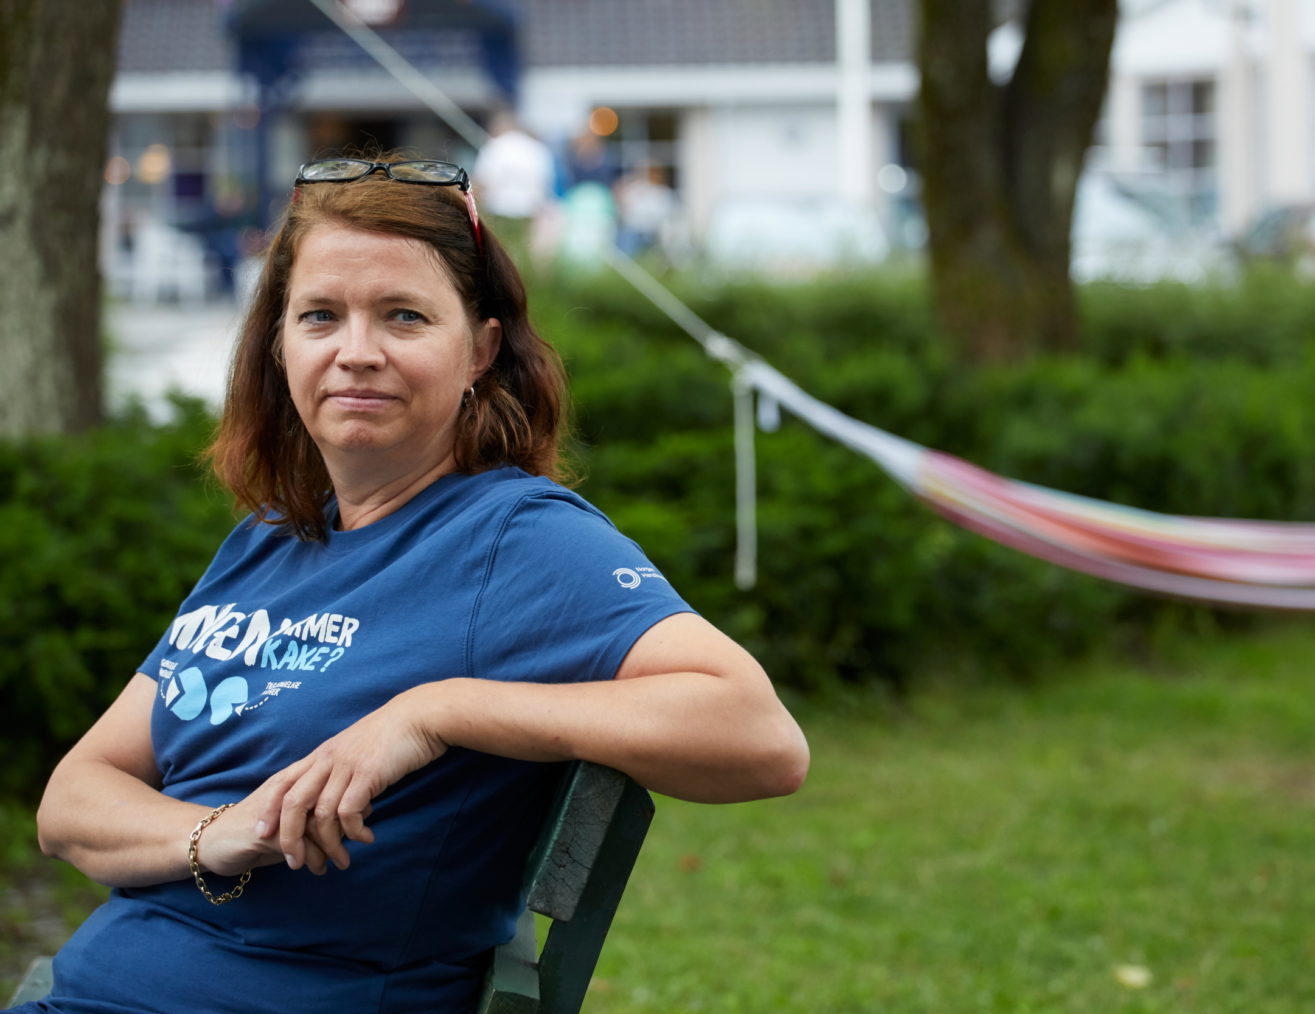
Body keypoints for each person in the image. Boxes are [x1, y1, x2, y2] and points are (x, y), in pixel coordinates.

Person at [11, 155, 808, 1014]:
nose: (357, 353)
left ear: (479, 350)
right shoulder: (268, 540)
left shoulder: (516, 540)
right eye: (320, 316)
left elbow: (760, 738)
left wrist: (438, 711)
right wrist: (220, 834)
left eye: (403, 316)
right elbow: (71, 803)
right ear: (280, 345)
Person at [470, 108, 556, 257]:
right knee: (523, 253)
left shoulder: (495, 146)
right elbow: (546, 184)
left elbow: (482, 182)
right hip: (528, 212)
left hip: (498, 211)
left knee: (499, 254)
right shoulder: (538, 149)